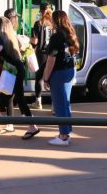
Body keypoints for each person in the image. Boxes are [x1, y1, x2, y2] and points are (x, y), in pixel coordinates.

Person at [0, 16, 39, 139]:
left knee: (19, 98)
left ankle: (32, 126)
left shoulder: (3, 36)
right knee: (10, 97)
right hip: (18, 69)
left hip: (15, 70)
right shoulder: (11, 35)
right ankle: (14, 123)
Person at [42, 10, 79, 146]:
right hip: (69, 70)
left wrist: (46, 79)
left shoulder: (56, 37)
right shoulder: (70, 33)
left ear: (56, 21)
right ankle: (66, 131)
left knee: (59, 105)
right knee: (66, 103)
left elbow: (51, 59)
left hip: (59, 73)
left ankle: (63, 136)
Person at [30, 3, 53, 110]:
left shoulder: (38, 23)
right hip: (53, 53)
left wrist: (28, 39)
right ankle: (54, 104)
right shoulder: (54, 23)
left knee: (39, 78)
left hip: (41, 53)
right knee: (52, 78)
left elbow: (35, 41)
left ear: (40, 11)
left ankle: (38, 101)